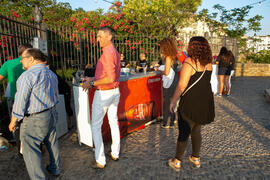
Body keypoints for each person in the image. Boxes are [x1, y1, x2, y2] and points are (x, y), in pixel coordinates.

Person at [9, 48, 61, 179]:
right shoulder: (51, 74)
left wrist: (14, 120)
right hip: (51, 113)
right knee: (52, 142)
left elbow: (20, 100)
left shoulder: (27, 76)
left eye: (22, 58)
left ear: (31, 59)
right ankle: (56, 168)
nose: (21, 61)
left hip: (35, 118)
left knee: (30, 150)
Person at [168, 36, 215, 171]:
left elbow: (182, 85)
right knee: (196, 130)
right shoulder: (209, 63)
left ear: (192, 47)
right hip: (204, 101)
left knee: (184, 131)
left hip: (190, 102)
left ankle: (176, 161)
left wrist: (173, 101)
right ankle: (195, 157)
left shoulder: (189, 62)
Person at [82, 26, 121, 169]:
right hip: (114, 92)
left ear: (109, 36)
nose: (97, 39)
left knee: (96, 126)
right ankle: (115, 152)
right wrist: (91, 78)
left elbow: (110, 77)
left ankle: (100, 160)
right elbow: (107, 75)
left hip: (105, 93)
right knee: (113, 121)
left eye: (100, 36)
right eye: (97, 36)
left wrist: (91, 83)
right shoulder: (114, 52)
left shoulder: (108, 53)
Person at [0, 44, 32, 147]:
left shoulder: (9, 64)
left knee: (16, 125)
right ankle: (36, 148)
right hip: (32, 99)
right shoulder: (33, 63)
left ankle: (20, 150)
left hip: (16, 100)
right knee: (32, 125)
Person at [158, 38, 179, 128]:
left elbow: (166, 72)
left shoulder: (168, 57)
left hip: (169, 81)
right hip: (175, 80)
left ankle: (166, 122)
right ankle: (173, 119)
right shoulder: (174, 56)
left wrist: (159, 70)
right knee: (172, 100)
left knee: (167, 101)